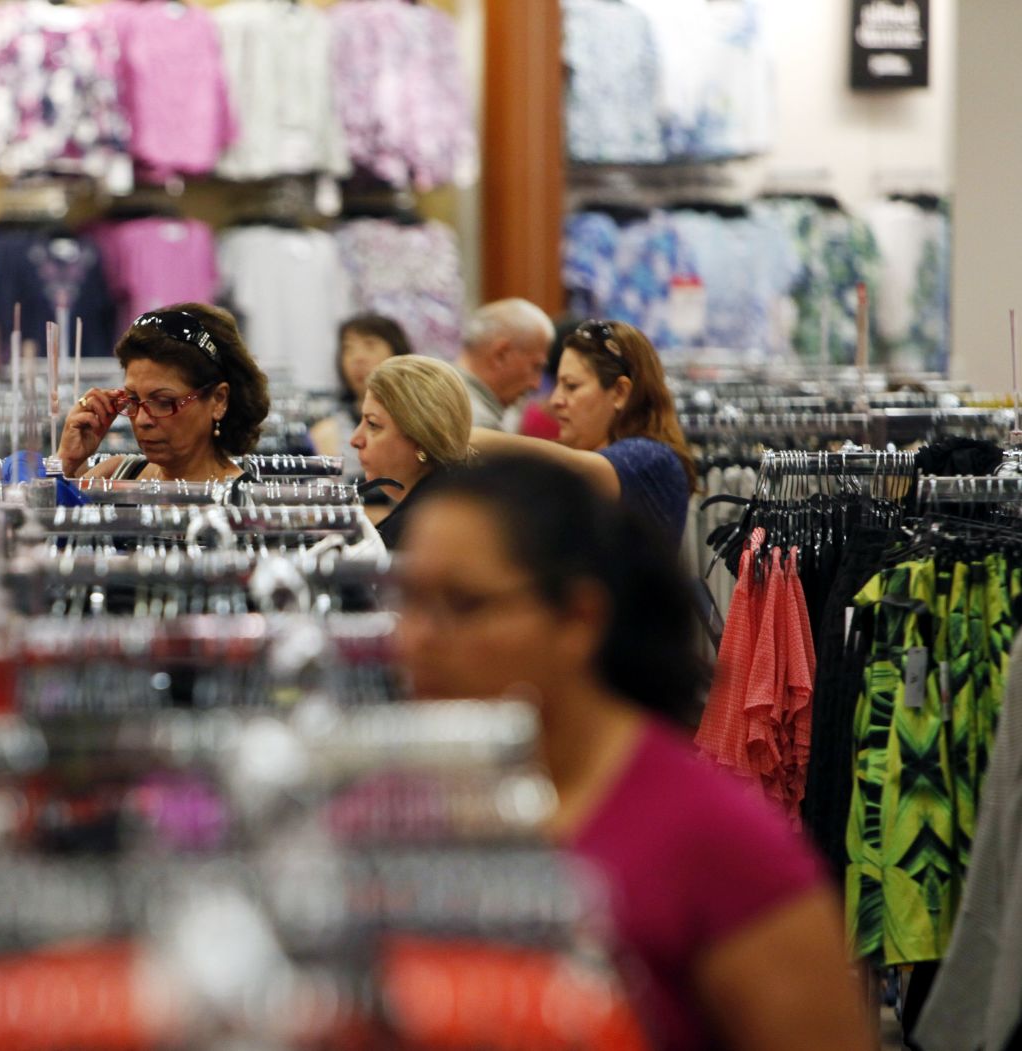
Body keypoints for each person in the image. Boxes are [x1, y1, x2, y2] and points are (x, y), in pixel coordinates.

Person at [395, 456, 876, 1051]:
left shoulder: (719, 842)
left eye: (461, 604)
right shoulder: (392, 805)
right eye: (407, 600)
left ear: (578, 618)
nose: (413, 638)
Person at [470, 318, 696, 544]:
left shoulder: (652, 458)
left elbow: (564, 465)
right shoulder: (584, 456)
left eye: (571, 386)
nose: (556, 400)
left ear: (619, 392)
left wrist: (463, 436)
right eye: (558, 385)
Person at [59, 304, 271, 485]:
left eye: (163, 402)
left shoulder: (249, 510)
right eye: (132, 400)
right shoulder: (116, 476)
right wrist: (67, 461)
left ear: (218, 400)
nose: (142, 420)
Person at [348, 355, 471, 550]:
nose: (355, 440)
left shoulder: (419, 538)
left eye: (372, 424)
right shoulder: (463, 503)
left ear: (421, 437)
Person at [308, 314, 414, 467]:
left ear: (397, 353)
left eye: (370, 345)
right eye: (348, 348)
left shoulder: (419, 422)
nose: (358, 358)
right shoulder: (328, 432)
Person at [455, 299, 555, 432]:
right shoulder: (480, 425)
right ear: (501, 355)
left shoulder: (436, 393)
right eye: (535, 367)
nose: (536, 384)